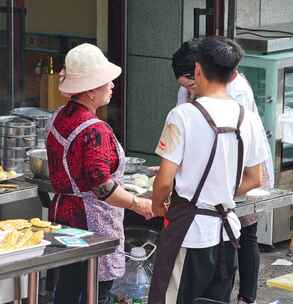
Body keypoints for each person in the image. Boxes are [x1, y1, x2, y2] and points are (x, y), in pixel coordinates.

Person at [148, 37, 268, 304]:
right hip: (227, 232)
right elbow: (254, 178)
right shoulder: (246, 118)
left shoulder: (182, 116)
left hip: (190, 232)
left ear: (198, 70)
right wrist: (220, 190)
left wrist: (158, 206)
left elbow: (164, 181)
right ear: (234, 74)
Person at [46, 43, 154, 304]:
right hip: (92, 222)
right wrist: (138, 203)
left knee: (69, 286)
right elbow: (101, 186)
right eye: (107, 81)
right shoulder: (94, 130)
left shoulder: (59, 116)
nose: (112, 86)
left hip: (63, 216)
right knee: (95, 292)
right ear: (90, 90)